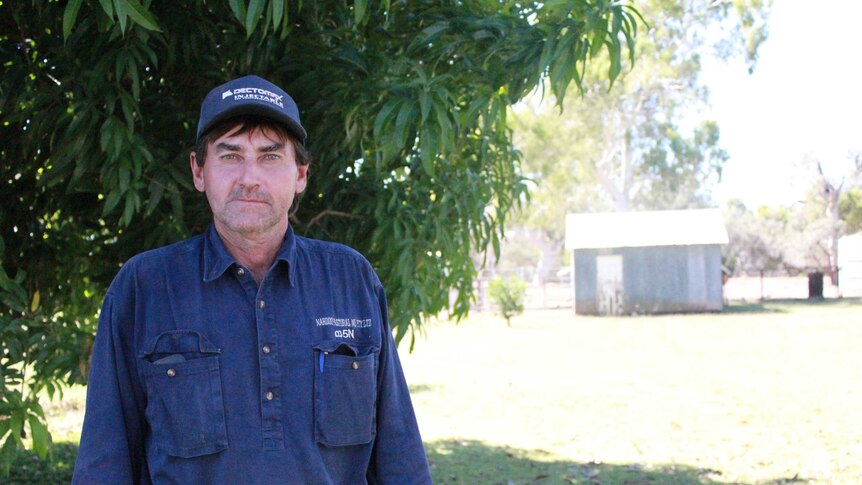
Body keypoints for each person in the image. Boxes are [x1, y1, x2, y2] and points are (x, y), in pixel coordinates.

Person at [72, 75, 432, 484]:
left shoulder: (351, 279)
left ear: (301, 174)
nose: (249, 178)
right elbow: (105, 462)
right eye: (229, 156)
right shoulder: (144, 287)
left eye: (270, 156)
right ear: (198, 170)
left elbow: (399, 454)